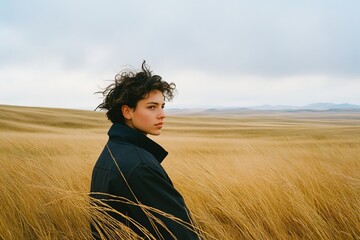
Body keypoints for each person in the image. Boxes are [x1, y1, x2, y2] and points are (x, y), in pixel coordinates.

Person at [90, 61, 200, 239]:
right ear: (127, 111)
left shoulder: (112, 150)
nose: (162, 114)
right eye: (151, 107)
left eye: (162, 106)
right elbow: (180, 233)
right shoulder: (140, 166)